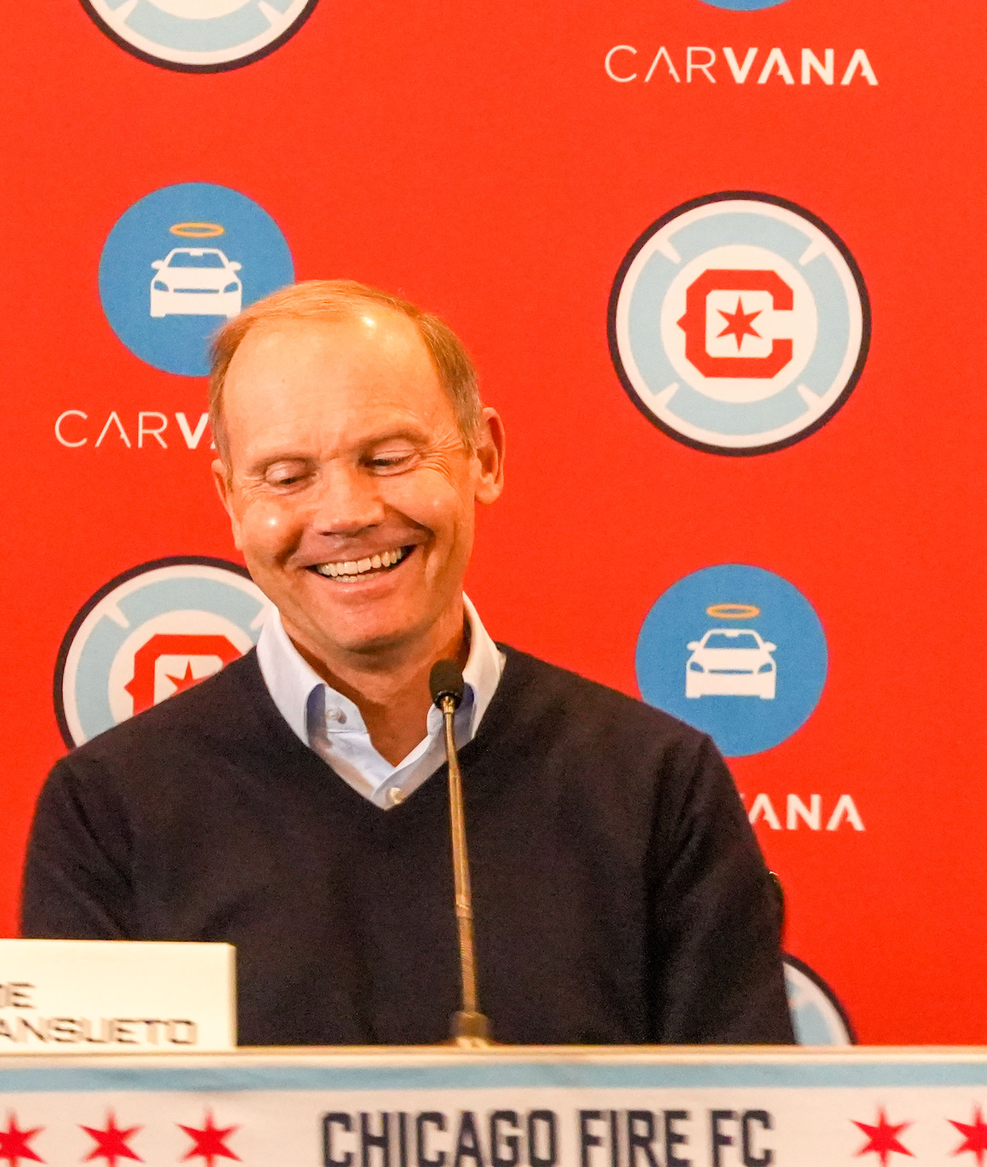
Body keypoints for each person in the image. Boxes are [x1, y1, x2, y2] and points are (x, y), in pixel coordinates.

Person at [23, 281, 792, 1047]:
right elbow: (91, 1116)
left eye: (388, 458)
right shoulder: (109, 809)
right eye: (287, 477)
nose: (346, 513)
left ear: (484, 457)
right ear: (231, 500)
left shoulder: (658, 785)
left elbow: (744, 1115)